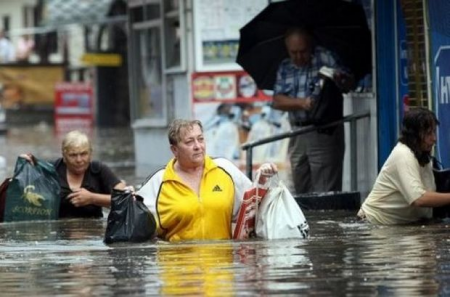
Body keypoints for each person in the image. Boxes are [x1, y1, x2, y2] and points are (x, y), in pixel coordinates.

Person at [137, 119, 277, 242]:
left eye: (201, 139)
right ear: (174, 150)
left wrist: (262, 179)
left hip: (221, 267)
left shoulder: (225, 169)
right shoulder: (159, 181)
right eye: (189, 142)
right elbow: (137, 230)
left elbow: (254, 211)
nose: (198, 146)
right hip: (178, 267)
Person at [272, 27, 354, 194]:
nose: (298, 57)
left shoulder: (325, 57)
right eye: (293, 52)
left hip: (323, 131)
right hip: (297, 131)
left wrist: (337, 77)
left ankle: (326, 219)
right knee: (301, 184)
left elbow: (349, 83)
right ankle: (308, 219)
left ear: (310, 46)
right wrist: (302, 103)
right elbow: (277, 100)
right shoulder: (285, 66)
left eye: (303, 51)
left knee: (325, 187)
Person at [358, 107, 448, 225]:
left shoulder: (423, 156)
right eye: (428, 133)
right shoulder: (403, 155)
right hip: (373, 224)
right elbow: (418, 199)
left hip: (405, 225)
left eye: (434, 132)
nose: (434, 139)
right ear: (414, 135)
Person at [21, 130, 126, 218]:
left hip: (93, 234)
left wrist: (92, 198)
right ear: (64, 156)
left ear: (90, 154)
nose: (79, 160)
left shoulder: (98, 170)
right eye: (73, 155)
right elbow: (24, 190)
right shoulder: (52, 170)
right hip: (59, 235)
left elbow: (124, 199)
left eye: (83, 154)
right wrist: (25, 166)